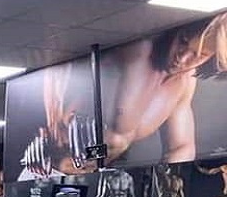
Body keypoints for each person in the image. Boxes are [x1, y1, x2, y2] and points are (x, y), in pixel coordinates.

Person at [22, 14, 227, 178]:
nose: (182, 58)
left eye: (198, 55)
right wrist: (53, 108)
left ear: (211, 58)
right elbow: (59, 50)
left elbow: (181, 147)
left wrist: (165, 188)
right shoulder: (137, 51)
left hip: (92, 180)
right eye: (183, 42)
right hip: (47, 173)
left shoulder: (184, 84)